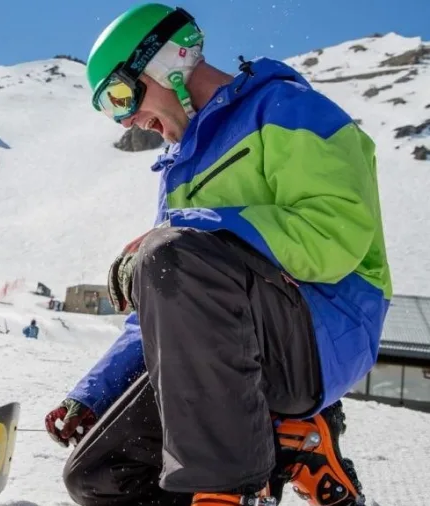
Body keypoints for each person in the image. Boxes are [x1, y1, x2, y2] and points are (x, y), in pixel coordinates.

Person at [44, 4, 391, 506]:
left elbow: (332, 236)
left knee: (167, 253)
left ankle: (228, 489)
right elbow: (166, 309)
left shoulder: (288, 108)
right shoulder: (179, 173)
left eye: (122, 96)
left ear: (165, 62)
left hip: (322, 331)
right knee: (100, 475)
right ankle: (288, 443)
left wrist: (188, 230)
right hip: (223, 352)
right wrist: (92, 395)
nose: (129, 119)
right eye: (112, 112)